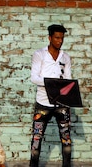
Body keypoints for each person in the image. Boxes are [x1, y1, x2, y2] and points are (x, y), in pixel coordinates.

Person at [29, 24, 73, 167]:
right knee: (37, 139)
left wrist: (65, 87)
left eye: (62, 38)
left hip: (61, 104)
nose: (60, 41)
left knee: (66, 139)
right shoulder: (39, 54)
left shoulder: (65, 57)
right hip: (43, 103)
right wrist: (52, 83)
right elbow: (34, 78)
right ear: (50, 38)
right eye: (57, 38)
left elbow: (68, 80)